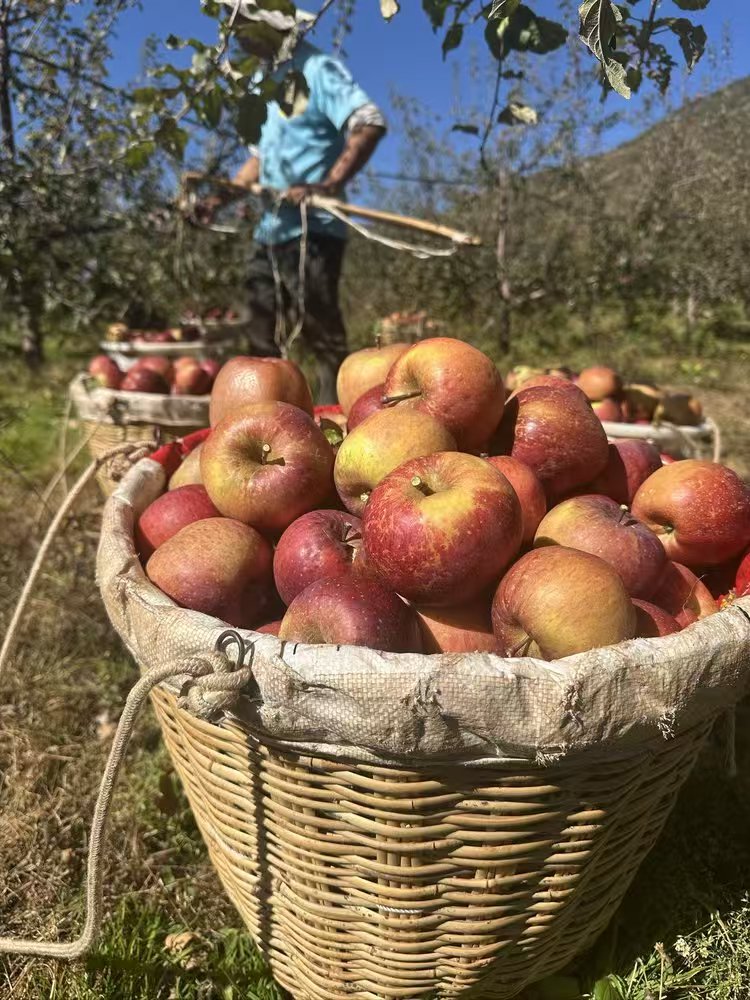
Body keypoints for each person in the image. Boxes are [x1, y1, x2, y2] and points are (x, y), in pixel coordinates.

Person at [202, 2, 386, 403]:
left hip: (313, 231)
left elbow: (368, 121)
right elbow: (258, 160)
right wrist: (218, 199)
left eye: (243, 24)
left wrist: (328, 184)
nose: (236, 34)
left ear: (269, 26)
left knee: (320, 332)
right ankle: (267, 417)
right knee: (259, 329)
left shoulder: (318, 69)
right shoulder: (262, 84)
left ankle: (334, 416)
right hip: (270, 230)